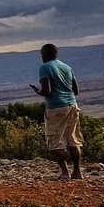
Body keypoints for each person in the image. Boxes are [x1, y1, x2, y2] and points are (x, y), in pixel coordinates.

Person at [30, 43, 83, 180]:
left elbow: (47, 90)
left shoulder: (45, 68)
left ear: (45, 54)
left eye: (41, 54)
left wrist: (37, 91)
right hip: (72, 104)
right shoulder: (67, 67)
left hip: (56, 107)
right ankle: (77, 172)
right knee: (73, 139)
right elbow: (75, 90)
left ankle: (65, 172)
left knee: (54, 141)